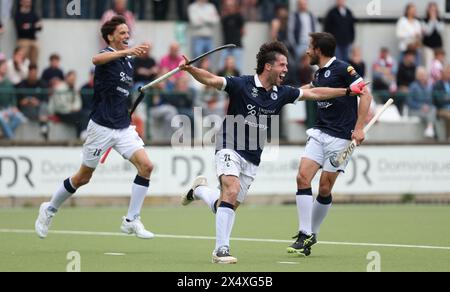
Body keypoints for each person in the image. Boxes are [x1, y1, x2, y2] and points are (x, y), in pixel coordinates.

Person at [179, 40, 366, 264]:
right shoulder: (241, 84)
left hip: (252, 156)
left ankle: (199, 190)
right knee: (231, 188)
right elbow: (211, 79)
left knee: (225, 204)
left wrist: (347, 91)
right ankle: (221, 250)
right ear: (268, 66)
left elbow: (315, 93)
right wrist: (191, 69)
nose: (286, 69)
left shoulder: (283, 93)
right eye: (282, 65)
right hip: (229, 144)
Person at [35, 16, 154, 240]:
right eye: (121, 32)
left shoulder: (129, 62)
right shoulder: (108, 56)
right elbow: (96, 59)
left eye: (127, 32)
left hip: (123, 126)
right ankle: (49, 209)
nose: (126, 36)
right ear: (110, 36)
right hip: (100, 127)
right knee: (83, 177)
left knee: (146, 166)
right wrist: (126, 52)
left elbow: (120, 93)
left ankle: (131, 220)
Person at [287, 32, 372, 257]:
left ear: (319, 50)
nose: (306, 51)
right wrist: (285, 94)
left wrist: (360, 127)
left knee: (325, 187)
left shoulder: (345, 69)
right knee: (302, 177)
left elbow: (366, 95)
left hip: (341, 137)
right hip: (319, 132)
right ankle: (304, 232)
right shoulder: (320, 73)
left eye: (309, 47)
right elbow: (312, 88)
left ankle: (312, 233)